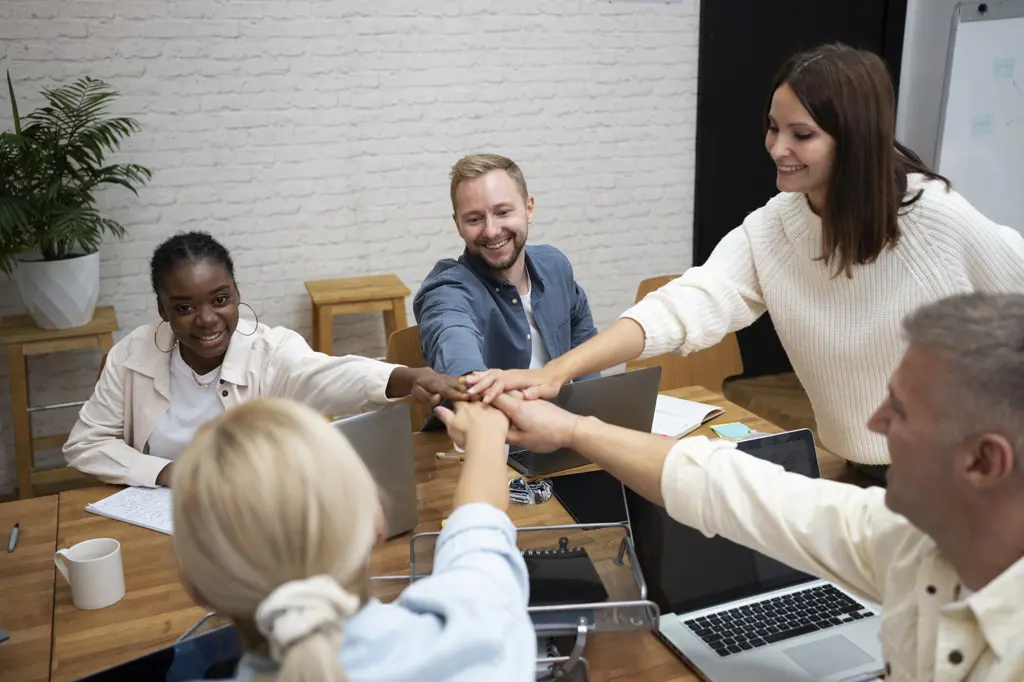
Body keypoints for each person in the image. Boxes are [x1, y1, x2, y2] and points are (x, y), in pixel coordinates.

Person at [465, 44, 1024, 477]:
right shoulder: (777, 227)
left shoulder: (932, 217)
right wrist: (557, 371)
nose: (778, 148)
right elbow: (687, 304)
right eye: (774, 128)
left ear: (854, 139)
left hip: (962, 475)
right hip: (861, 466)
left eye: (801, 134)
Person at [490, 292, 1024, 681]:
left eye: (902, 411)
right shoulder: (912, 541)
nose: (875, 422)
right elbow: (730, 487)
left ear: (983, 461)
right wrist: (573, 430)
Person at [173, 397, 535, 682]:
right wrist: (486, 435)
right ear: (378, 521)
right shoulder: (478, 624)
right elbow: (480, 512)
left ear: (194, 585)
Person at [63, 231, 466, 488]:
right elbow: (86, 443)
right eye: (184, 307)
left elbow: (329, 375)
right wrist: (168, 473)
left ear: (236, 294)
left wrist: (408, 374)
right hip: (161, 517)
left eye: (220, 300)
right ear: (163, 309)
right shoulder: (133, 355)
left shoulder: (270, 351)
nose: (206, 320)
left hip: (253, 515)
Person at [413, 153, 598, 381]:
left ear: (529, 209)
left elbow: (584, 345)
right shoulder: (447, 291)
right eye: (474, 219)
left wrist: (590, 407)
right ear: (458, 225)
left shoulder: (555, 266)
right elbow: (457, 355)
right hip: (490, 415)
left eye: (502, 212)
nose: (491, 231)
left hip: (566, 415)